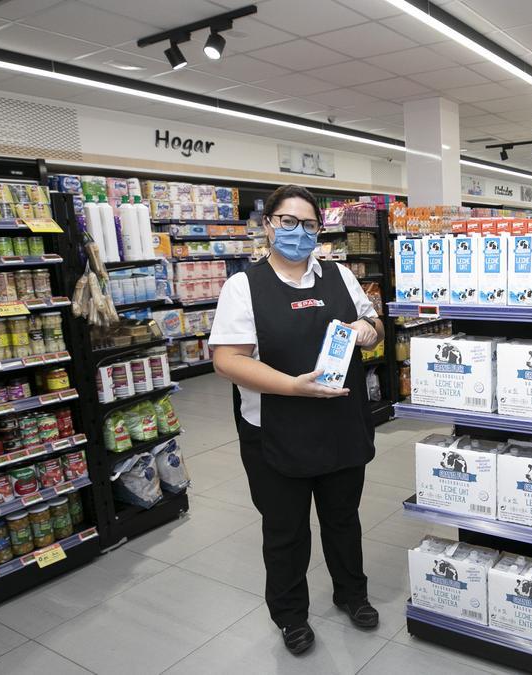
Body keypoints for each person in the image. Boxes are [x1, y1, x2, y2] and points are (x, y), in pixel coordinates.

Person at [209, 184, 383, 656]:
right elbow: (227, 360)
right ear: (268, 225)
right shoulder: (244, 286)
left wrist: (369, 330)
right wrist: (292, 386)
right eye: (288, 222)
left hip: (340, 424)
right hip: (276, 430)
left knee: (343, 519)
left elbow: (373, 321)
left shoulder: (340, 275)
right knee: (285, 530)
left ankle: (352, 594)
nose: (298, 233)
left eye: (308, 225)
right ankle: (290, 616)